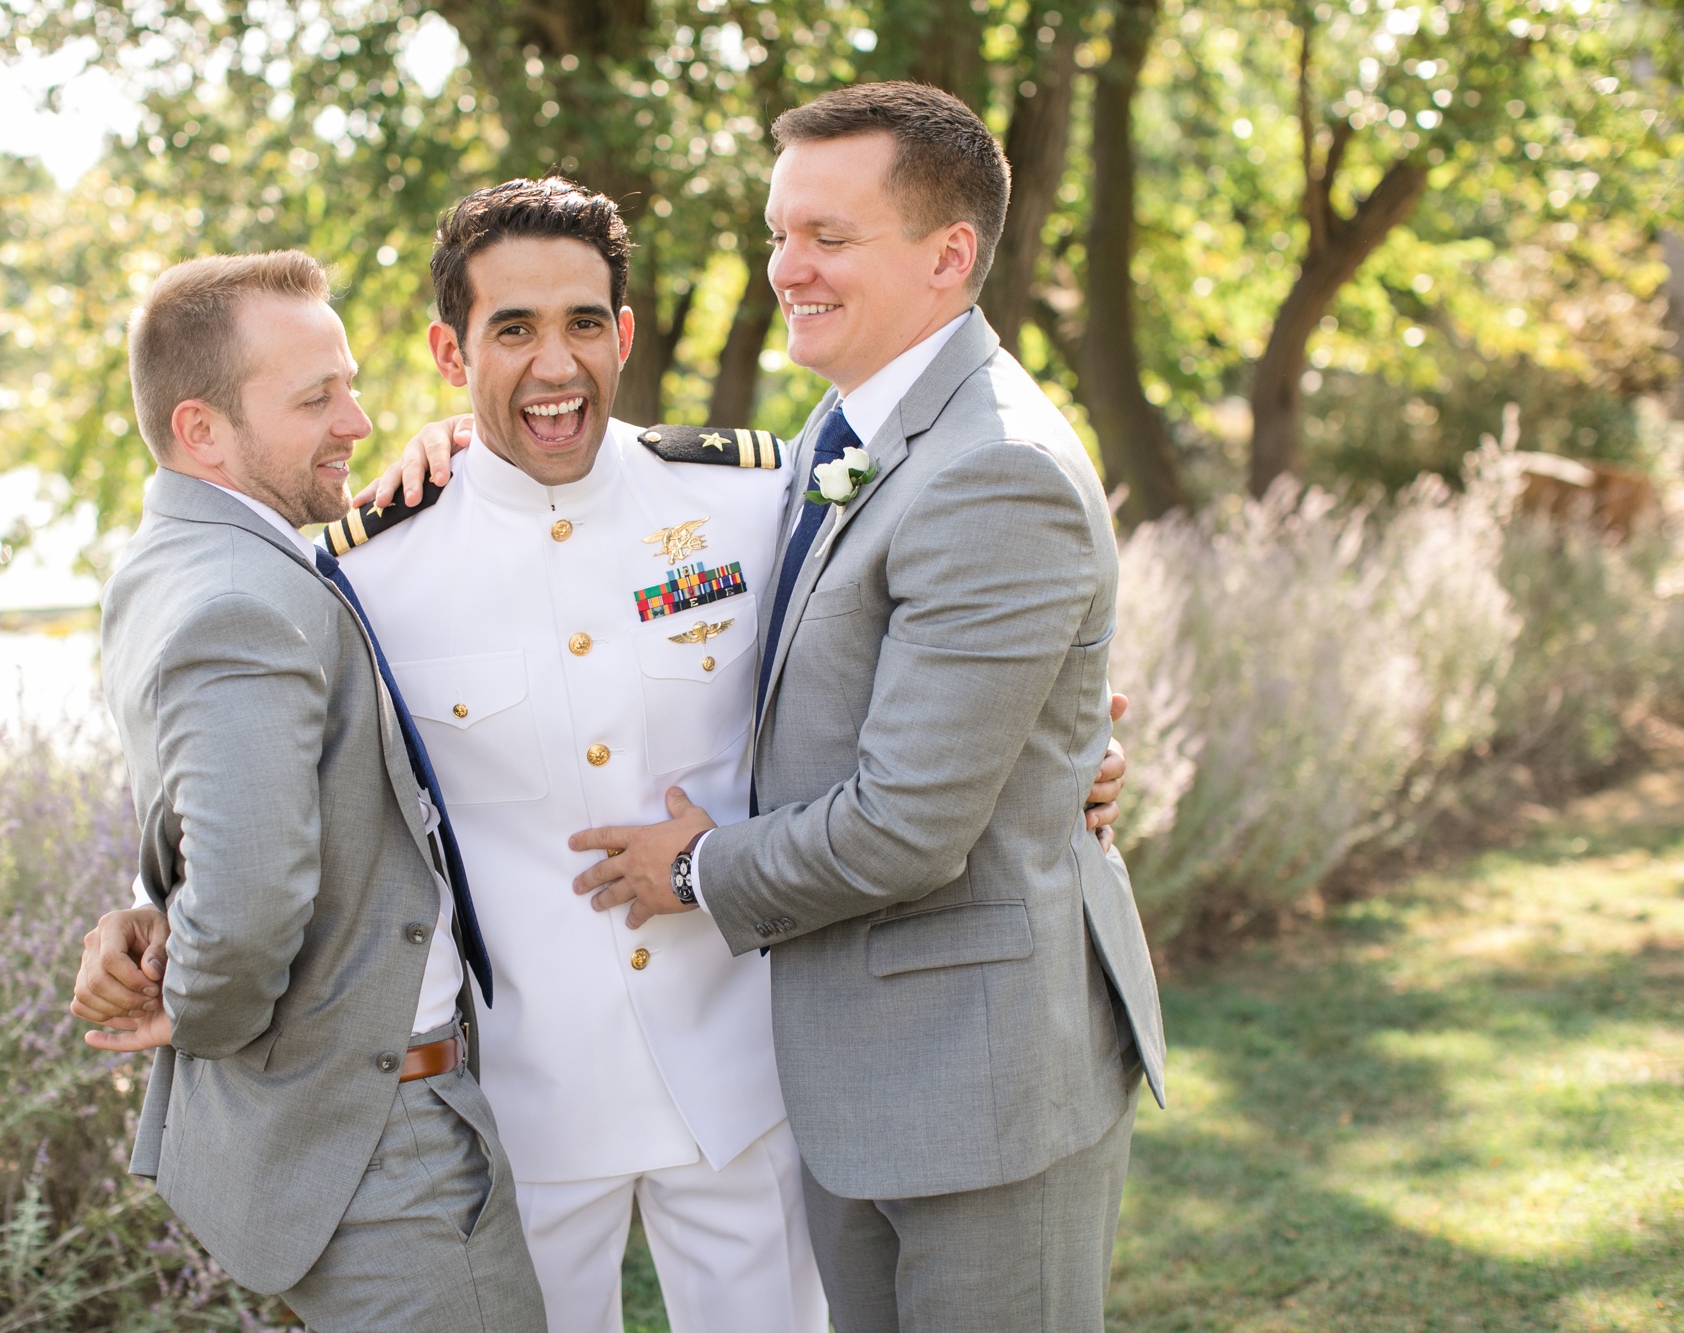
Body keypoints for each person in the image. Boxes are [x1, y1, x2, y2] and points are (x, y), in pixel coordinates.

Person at [74, 180, 1132, 1332]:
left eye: (583, 322)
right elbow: (276, 775)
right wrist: (150, 906)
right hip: (528, 1102)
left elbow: (931, 646)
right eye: (511, 330)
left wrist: (1072, 752)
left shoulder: (753, 496)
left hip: (749, 1074)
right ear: (447, 348)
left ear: (622, 334)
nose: (554, 363)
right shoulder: (367, 570)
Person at [541, 82, 1167, 1332]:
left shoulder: (991, 467)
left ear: (947, 257)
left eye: (827, 237)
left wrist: (697, 869)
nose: (785, 268)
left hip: (977, 1082)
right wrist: (460, 462)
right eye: (778, 234)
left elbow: (905, 827)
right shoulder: (849, 424)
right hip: (859, 1075)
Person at [77, 250, 546, 1332]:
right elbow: (244, 902)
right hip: (385, 1146)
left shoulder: (175, 564)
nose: (356, 417)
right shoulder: (241, 600)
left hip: (352, 1130)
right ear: (202, 431)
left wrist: (149, 921)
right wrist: (188, 1000)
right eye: (315, 396)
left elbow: (211, 812)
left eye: (346, 383)